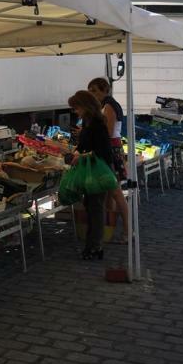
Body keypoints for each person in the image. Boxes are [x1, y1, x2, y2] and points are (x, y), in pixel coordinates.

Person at [68, 90, 113, 261]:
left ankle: (95, 247)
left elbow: (101, 151)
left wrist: (81, 155)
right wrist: (76, 151)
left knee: (95, 208)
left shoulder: (97, 124)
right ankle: (92, 245)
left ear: (85, 106)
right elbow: (84, 145)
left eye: (76, 108)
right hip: (90, 170)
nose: (75, 112)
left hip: (97, 171)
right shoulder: (88, 123)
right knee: (91, 207)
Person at [88, 76, 129, 244]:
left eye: (95, 91)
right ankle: (110, 228)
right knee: (111, 193)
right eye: (90, 91)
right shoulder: (105, 105)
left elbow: (109, 132)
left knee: (116, 193)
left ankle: (128, 231)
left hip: (110, 150)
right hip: (111, 148)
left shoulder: (109, 106)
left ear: (105, 90)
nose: (92, 94)